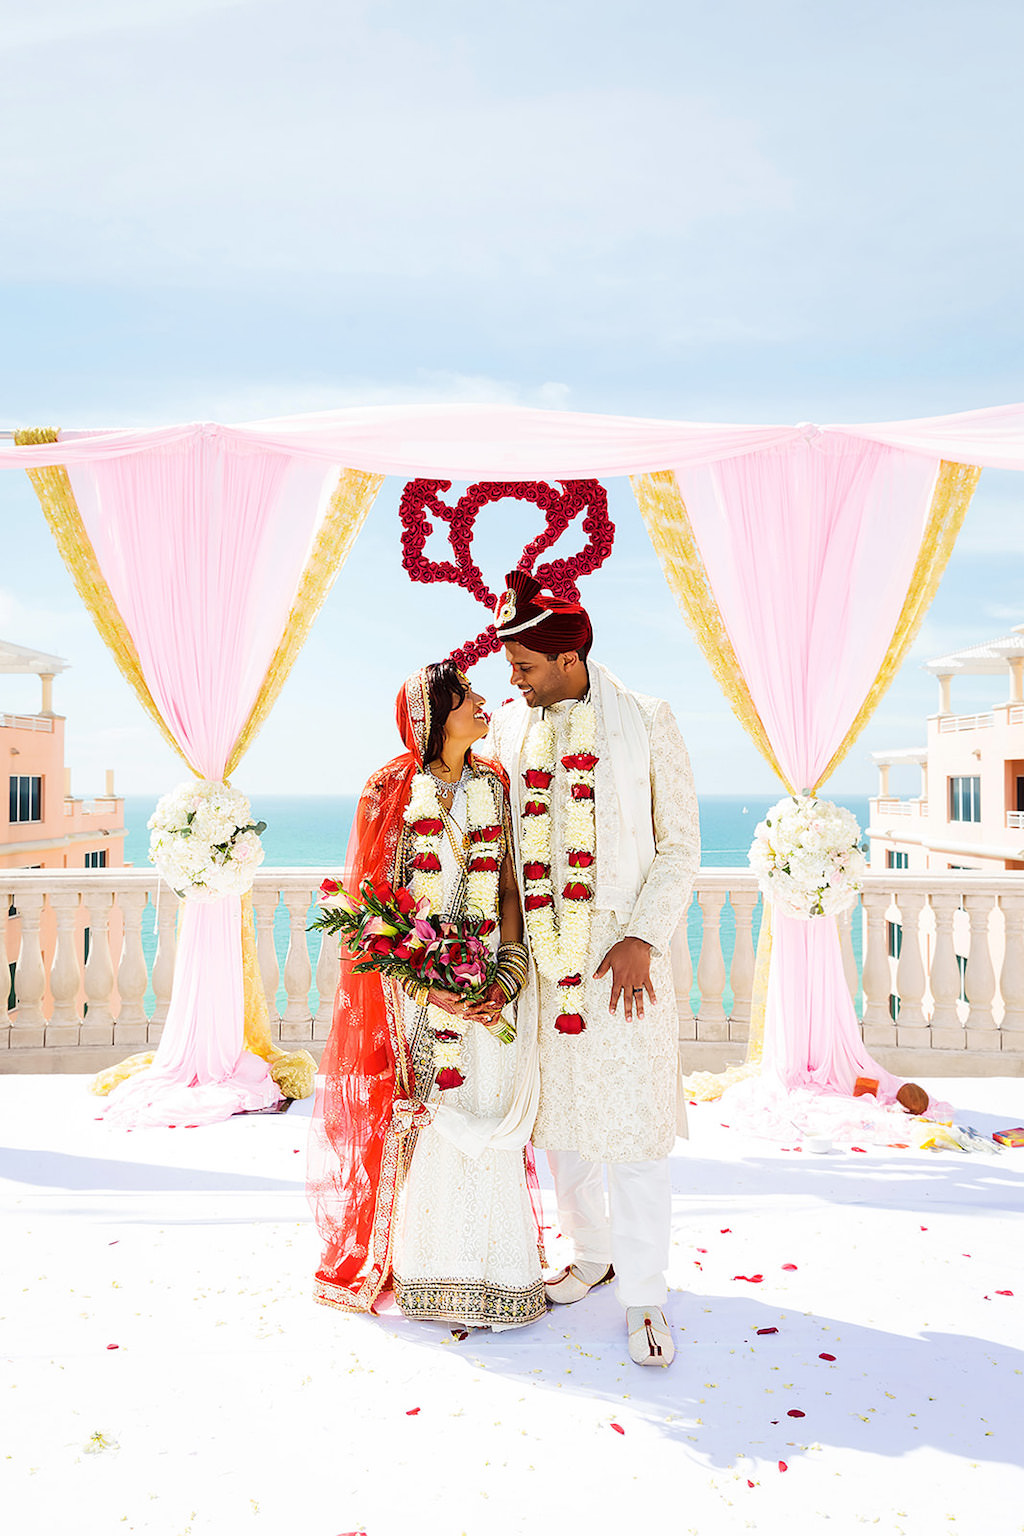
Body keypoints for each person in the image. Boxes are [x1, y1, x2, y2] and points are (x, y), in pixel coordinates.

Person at [487, 569, 700, 1366]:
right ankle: (593, 1254)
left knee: (636, 1131)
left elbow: (679, 844)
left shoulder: (649, 720)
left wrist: (644, 935)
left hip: (625, 959)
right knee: (563, 1124)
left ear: (569, 656)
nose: (513, 680)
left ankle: (645, 1294)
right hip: (547, 956)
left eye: (525, 666)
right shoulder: (512, 728)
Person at [308, 661, 546, 1329]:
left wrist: (506, 975)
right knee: (434, 1120)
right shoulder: (388, 791)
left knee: (493, 1111)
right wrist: (432, 991)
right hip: (420, 996)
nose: (483, 702)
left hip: (491, 986)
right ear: (437, 717)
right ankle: (426, 1274)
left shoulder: (495, 782)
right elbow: (369, 912)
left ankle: (501, 1276)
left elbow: (508, 892)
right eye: (468, 696)